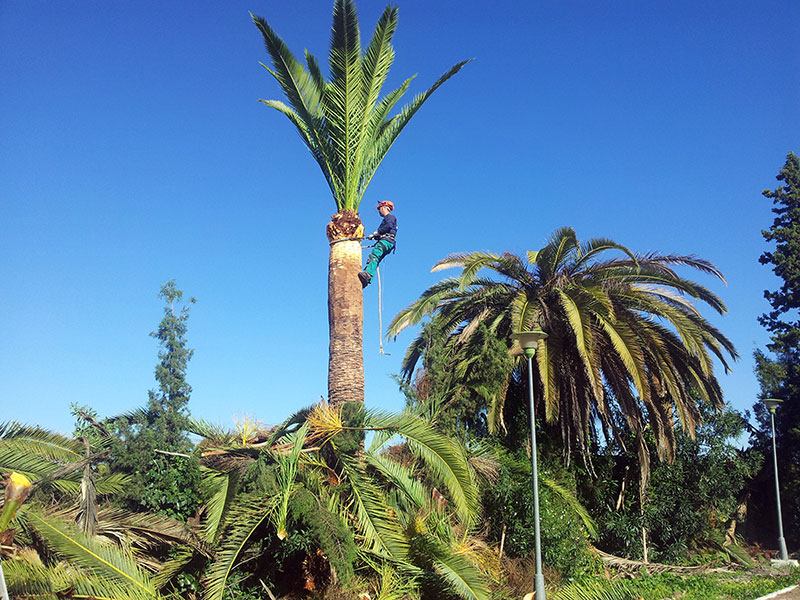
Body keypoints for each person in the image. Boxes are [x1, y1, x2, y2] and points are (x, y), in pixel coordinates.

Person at [359, 201, 396, 288]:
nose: (379, 212)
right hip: (388, 243)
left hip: (386, 241)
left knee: (374, 256)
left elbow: (388, 226)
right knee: (376, 260)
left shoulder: (390, 217)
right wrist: (375, 236)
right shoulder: (389, 218)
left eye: (380, 209)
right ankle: (367, 280)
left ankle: (367, 275)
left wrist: (377, 232)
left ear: (384, 208)